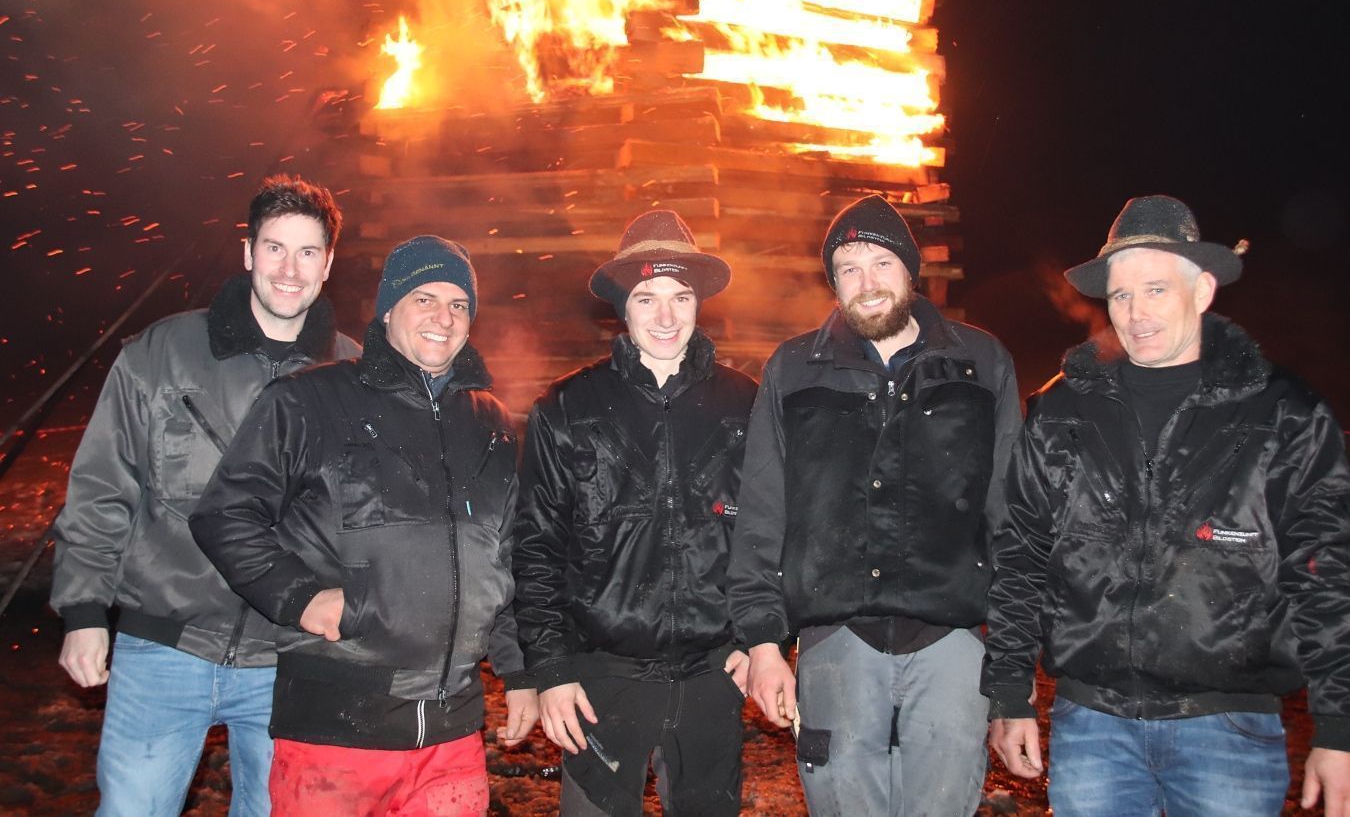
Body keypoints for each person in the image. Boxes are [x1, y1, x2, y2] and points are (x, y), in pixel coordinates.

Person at [982, 194, 1350, 816]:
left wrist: (1338, 724)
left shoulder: (1282, 414)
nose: (1135, 313)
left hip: (1229, 727)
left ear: (1203, 289)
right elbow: (1021, 554)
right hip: (1092, 725)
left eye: (1155, 289)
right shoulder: (1063, 410)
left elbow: (1327, 569)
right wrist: (1009, 693)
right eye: (1121, 295)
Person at [190, 235, 537, 815]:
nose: (442, 318)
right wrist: (300, 597)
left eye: (458, 306)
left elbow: (499, 557)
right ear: (388, 307)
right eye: (424, 298)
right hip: (337, 731)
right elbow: (225, 513)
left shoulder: (491, 422)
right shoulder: (311, 401)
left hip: (452, 734)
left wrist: (519, 669)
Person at [49, 175, 358, 816]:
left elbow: (373, 521)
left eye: (308, 253)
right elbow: (105, 482)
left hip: (291, 657)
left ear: (329, 264)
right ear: (247, 252)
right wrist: (84, 610)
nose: (290, 270)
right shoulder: (163, 353)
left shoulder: (354, 375)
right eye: (275, 248)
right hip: (164, 646)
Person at [726, 194, 1021, 815]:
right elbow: (761, 512)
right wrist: (762, 643)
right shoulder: (794, 369)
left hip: (954, 642)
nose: (867, 282)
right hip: (837, 642)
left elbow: (1011, 518)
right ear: (833, 285)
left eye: (881, 263)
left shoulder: (981, 364)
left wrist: (1015, 673)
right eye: (848, 268)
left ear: (911, 271)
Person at [512, 210, 759, 816]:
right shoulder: (567, 407)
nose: (666, 316)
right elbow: (535, 546)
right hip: (601, 679)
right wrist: (550, 668)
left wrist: (766, 639)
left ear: (700, 303)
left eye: (681, 296)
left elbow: (774, 535)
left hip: (713, 675)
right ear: (623, 307)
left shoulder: (747, 405)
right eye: (647, 298)